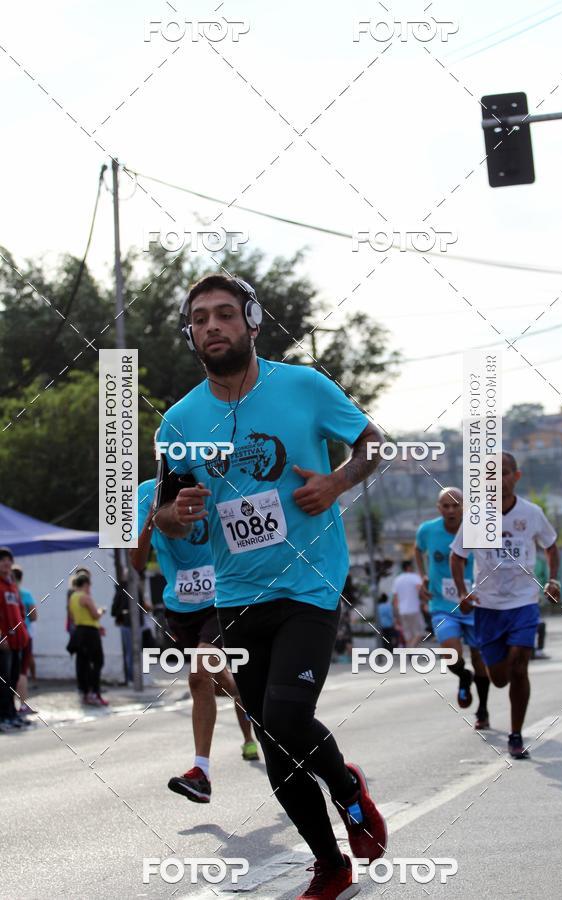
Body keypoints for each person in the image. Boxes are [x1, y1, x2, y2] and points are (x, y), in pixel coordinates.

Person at [154, 273, 387, 899]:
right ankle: (331, 865)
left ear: (251, 321)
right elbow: (163, 511)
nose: (212, 326)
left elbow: (374, 445)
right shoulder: (179, 420)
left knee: (286, 714)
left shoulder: (304, 386)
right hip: (234, 594)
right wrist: (181, 513)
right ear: (191, 334)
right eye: (200, 318)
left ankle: (349, 794)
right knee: (278, 746)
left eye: (225, 314)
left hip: (309, 583)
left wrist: (337, 483)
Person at [130, 476, 259, 803]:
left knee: (198, 676)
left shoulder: (212, 483)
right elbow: (136, 562)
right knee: (218, 683)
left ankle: (200, 772)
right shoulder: (146, 494)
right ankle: (251, 720)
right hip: (180, 609)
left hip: (222, 600)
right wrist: (149, 520)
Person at [450, 452, 560, 760]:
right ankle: (495, 673)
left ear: (517, 476)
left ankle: (515, 735)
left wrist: (554, 581)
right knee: (499, 677)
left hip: (524, 601)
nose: (499, 479)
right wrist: (462, 592)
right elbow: (457, 556)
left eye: (505, 473)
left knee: (520, 664)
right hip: (488, 605)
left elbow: (551, 545)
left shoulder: (532, 513)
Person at [415, 487, 490, 729]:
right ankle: (463, 676)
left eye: (455, 505)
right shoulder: (427, 530)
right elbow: (418, 550)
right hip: (442, 605)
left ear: (464, 508)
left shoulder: (478, 531)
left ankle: (483, 710)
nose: (450, 510)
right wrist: (423, 577)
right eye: (445, 506)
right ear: (439, 508)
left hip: (475, 605)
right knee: (451, 655)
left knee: (480, 659)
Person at [0, 547, 30, 731]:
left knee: (12, 680)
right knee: (3, 682)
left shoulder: (12, 585)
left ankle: (12, 714)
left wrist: (24, 634)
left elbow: (19, 612)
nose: (6, 563)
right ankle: (3, 717)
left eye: (8, 560)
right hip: (3, 643)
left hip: (17, 641)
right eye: (2, 560)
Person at [68, 573, 108, 707]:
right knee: (98, 662)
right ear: (85, 584)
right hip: (90, 633)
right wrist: (102, 610)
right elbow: (95, 615)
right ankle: (95, 692)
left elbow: (72, 617)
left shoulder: (72, 597)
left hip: (79, 631)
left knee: (83, 663)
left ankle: (86, 693)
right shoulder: (85, 597)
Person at [11, 565, 37, 715]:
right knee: (22, 670)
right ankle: (23, 704)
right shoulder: (25, 594)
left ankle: (11, 706)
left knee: (10, 671)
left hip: (8, 635)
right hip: (23, 634)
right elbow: (34, 615)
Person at [392, 560, 424, 647]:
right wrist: (424, 602)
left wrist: (396, 615)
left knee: (408, 634)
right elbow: (420, 590)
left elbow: (395, 599)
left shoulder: (397, 580)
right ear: (409, 567)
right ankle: (411, 649)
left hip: (402, 611)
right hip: (414, 609)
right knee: (419, 632)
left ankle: (410, 651)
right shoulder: (414, 577)